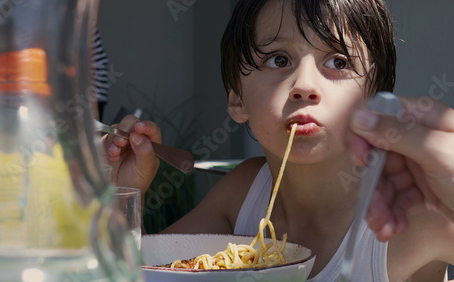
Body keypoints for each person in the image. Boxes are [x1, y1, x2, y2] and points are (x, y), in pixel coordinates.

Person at [103, 0, 454, 281]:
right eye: (279, 59)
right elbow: (128, 273)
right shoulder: (243, 193)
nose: (304, 86)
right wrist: (117, 196)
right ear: (237, 100)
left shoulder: (415, 216)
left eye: (337, 61)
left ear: (376, 100)